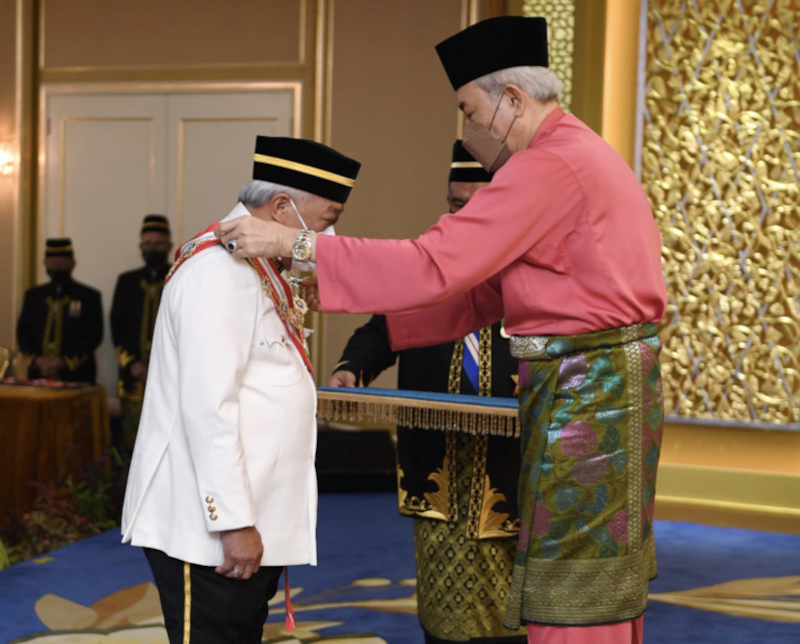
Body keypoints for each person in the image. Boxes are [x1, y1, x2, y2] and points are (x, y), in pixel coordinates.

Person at [217, 15, 667, 644]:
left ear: (512, 100)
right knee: (579, 574)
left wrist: (298, 245)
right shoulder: (572, 153)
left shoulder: (548, 165)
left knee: (575, 588)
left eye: (469, 109)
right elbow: (487, 292)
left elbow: (436, 262)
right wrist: (361, 307)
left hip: (585, 390)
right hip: (591, 383)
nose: (468, 128)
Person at [121, 135, 361, 644]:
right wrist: (232, 523)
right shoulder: (219, 272)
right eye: (327, 216)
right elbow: (211, 408)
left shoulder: (255, 266)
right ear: (281, 207)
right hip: (208, 533)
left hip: (246, 524)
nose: (330, 231)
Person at [329, 141, 525, 644]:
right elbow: (380, 331)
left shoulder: (531, 274)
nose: (463, 216)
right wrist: (352, 370)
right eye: (455, 204)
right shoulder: (425, 264)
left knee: (515, 600)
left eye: (477, 205)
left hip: (512, 464)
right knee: (444, 601)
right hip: (437, 462)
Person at [110, 214, 173, 455]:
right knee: (132, 445)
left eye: (158, 244)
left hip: (170, 377)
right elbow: (117, 327)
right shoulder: (126, 282)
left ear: (168, 246)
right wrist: (133, 363)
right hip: (132, 378)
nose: (152, 248)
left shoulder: (179, 276)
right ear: (140, 246)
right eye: (147, 244)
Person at [16, 238, 103, 384]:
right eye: (53, 264)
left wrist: (65, 362)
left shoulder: (89, 296)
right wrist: (37, 360)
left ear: (72, 264)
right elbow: (23, 333)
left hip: (77, 376)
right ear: (45, 263)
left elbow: (94, 336)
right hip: (38, 375)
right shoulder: (34, 296)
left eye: (62, 264)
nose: (57, 268)